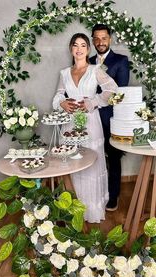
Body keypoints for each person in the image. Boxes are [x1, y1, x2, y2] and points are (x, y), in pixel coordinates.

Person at [52, 33, 117, 223]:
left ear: (88, 50)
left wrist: (92, 103)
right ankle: (73, 211)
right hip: (70, 124)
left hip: (90, 124)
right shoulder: (64, 73)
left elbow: (112, 90)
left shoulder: (95, 69)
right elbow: (57, 97)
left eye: (83, 45)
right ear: (71, 49)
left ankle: (91, 212)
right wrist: (63, 103)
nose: (79, 49)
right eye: (75, 45)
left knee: (91, 164)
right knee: (72, 163)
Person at [90, 24, 130, 211]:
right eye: (96, 39)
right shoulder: (87, 61)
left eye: (104, 38)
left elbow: (119, 94)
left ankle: (113, 196)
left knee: (113, 157)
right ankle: (96, 194)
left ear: (110, 39)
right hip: (90, 118)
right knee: (93, 157)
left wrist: (96, 101)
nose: (100, 42)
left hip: (111, 118)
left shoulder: (120, 61)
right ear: (92, 41)